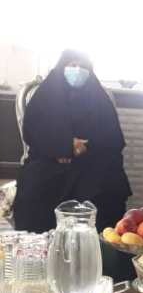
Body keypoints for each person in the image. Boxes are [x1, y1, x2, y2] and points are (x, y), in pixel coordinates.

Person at [13, 49, 131, 232]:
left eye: (83, 67)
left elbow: (113, 138)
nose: (77, 70)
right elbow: (33, 132)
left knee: (107, 189)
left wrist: (85, 147)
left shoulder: (98, 98)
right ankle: (41, 244)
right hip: (50, 161)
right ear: (61, 67)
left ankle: (97, 245)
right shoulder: (46, 94)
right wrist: (63, 146)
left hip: (92, 162)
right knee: (34, 190)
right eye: (72, 65)